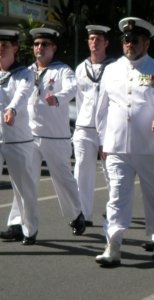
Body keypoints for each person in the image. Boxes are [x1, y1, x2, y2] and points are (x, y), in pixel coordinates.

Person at [95, 17, 154, 267]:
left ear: (146, 43)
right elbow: (102, 109)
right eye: (126, 40)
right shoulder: (111, 69)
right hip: (117, 146)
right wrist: (102, 142)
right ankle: (113, 245)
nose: (129, 44)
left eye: (135, 40)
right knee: (117, 196)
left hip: (150, 147)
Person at [0, 27, 86, 242]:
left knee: (62, 178)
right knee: (24, 181)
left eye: (44, 44)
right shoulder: (25, 71)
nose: (40, 48)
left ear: (53, 48)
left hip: (54, 135)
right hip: (28, 135)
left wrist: (58, 97)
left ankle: (76, 214)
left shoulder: (62, 70)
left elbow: (73, 87)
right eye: (37, 44)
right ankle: (17, 224)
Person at [73, 25, 115, 226]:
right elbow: (80, 99)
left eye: (98, 39)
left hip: (108, 128)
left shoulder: (115, 67)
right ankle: (83, 215)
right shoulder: (81, 68)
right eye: (91, 39)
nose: (94, 42)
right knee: (82, 171)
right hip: (84, 127)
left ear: (106, 43)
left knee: (112, 172)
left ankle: (114, 210)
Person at [0, 29, 39, 245]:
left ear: (15, 48)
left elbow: (22, 94)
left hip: (17, 139)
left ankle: (30, 229)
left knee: (24, 189)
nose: (0, 49)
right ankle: (15, 225)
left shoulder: (25, 73)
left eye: (5, 45)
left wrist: (12, 109)